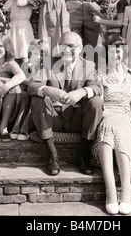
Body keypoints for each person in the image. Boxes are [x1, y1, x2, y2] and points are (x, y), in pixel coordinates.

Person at [27, 31, 103, 176]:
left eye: (71, 46)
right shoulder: (48, 63)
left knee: (96, 102)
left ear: (80, 48)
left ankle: (83, 155)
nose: (66, 50)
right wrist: (48, 90)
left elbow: (97, 87)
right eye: (62, 46)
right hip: (53, 119)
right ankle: (52, 156)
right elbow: (32, 85)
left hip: (78, 119)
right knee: (37, 99)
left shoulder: (88, 65)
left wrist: (82, 92)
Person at [94, 34, 131, 215]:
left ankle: (127, 189)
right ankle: (111, 190)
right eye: (113, 51)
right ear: (107, 53)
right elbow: (100, 100)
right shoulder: (100, 74)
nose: (117, 54)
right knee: (108, 130)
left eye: (119, 50)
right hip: (107, 114)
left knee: (120, 129)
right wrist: (105, 115)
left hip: (126, 115)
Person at [3, 0, 37, 64]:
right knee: (12, 52)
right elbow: (8, 17)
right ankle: (13, 72)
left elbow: (20, 3)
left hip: (24, 27)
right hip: (13, 28)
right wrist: (6, 28)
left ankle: (28, 73)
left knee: (25, 52)